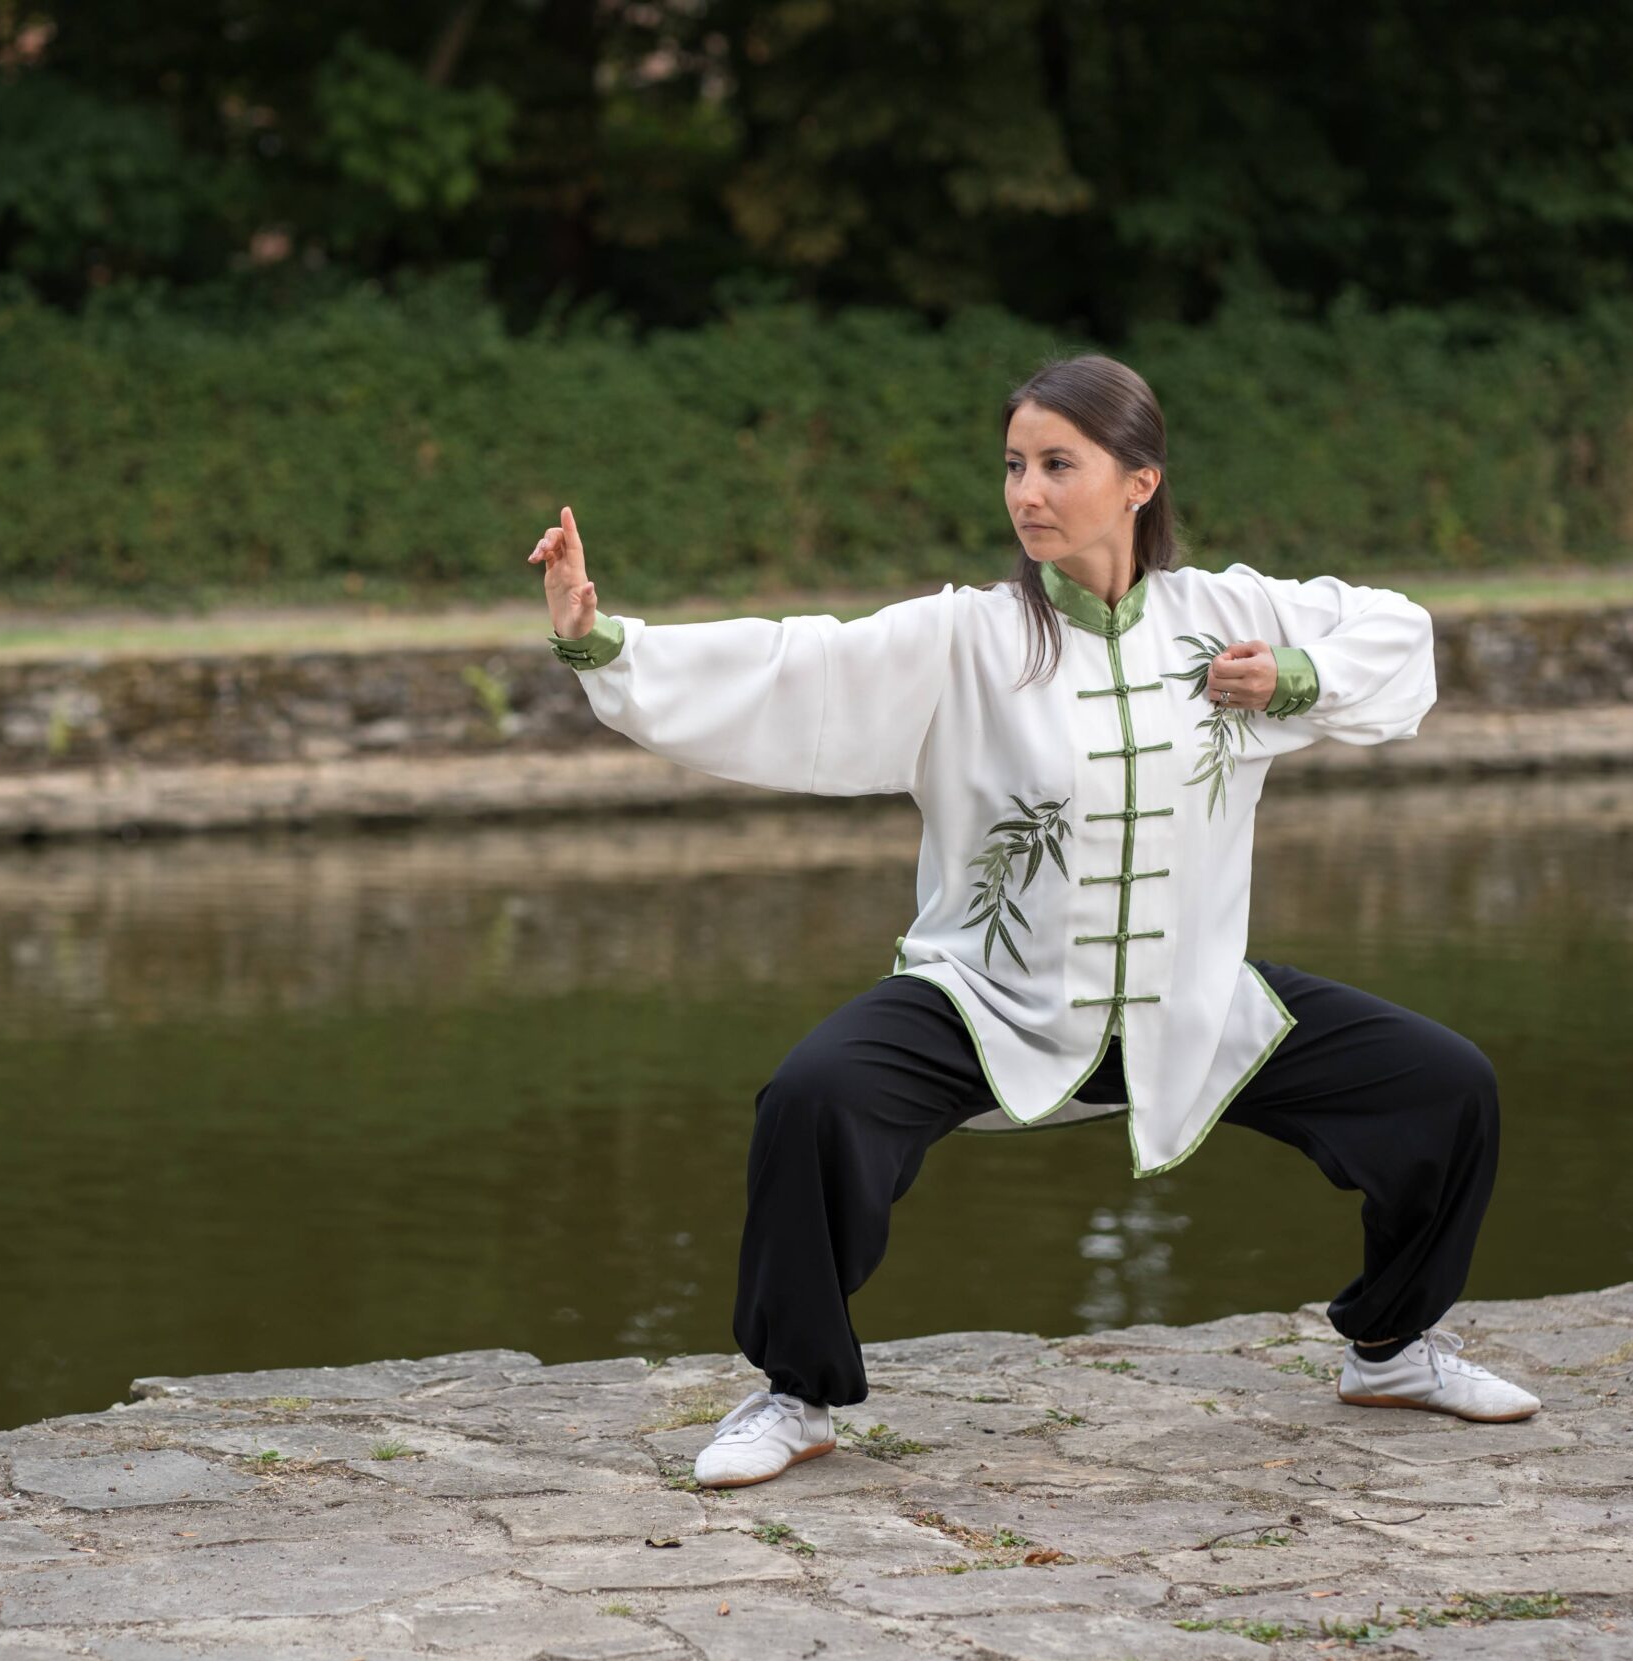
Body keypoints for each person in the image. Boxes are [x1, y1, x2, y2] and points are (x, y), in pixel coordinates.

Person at [527, 352, 1538, 1492]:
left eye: (1059, 464)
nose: (1027, 493)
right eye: (1015, 465)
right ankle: (796, 1392)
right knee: (812, 1099)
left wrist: (1297, 679)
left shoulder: (1228, 617)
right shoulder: (968, 638)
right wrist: (607, 646)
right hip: (986, 995)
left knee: (1444, 1084)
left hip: (1189, 996)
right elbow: (795, 667)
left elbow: (1398, 635)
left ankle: (1392, 1349)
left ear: (1139, 481)